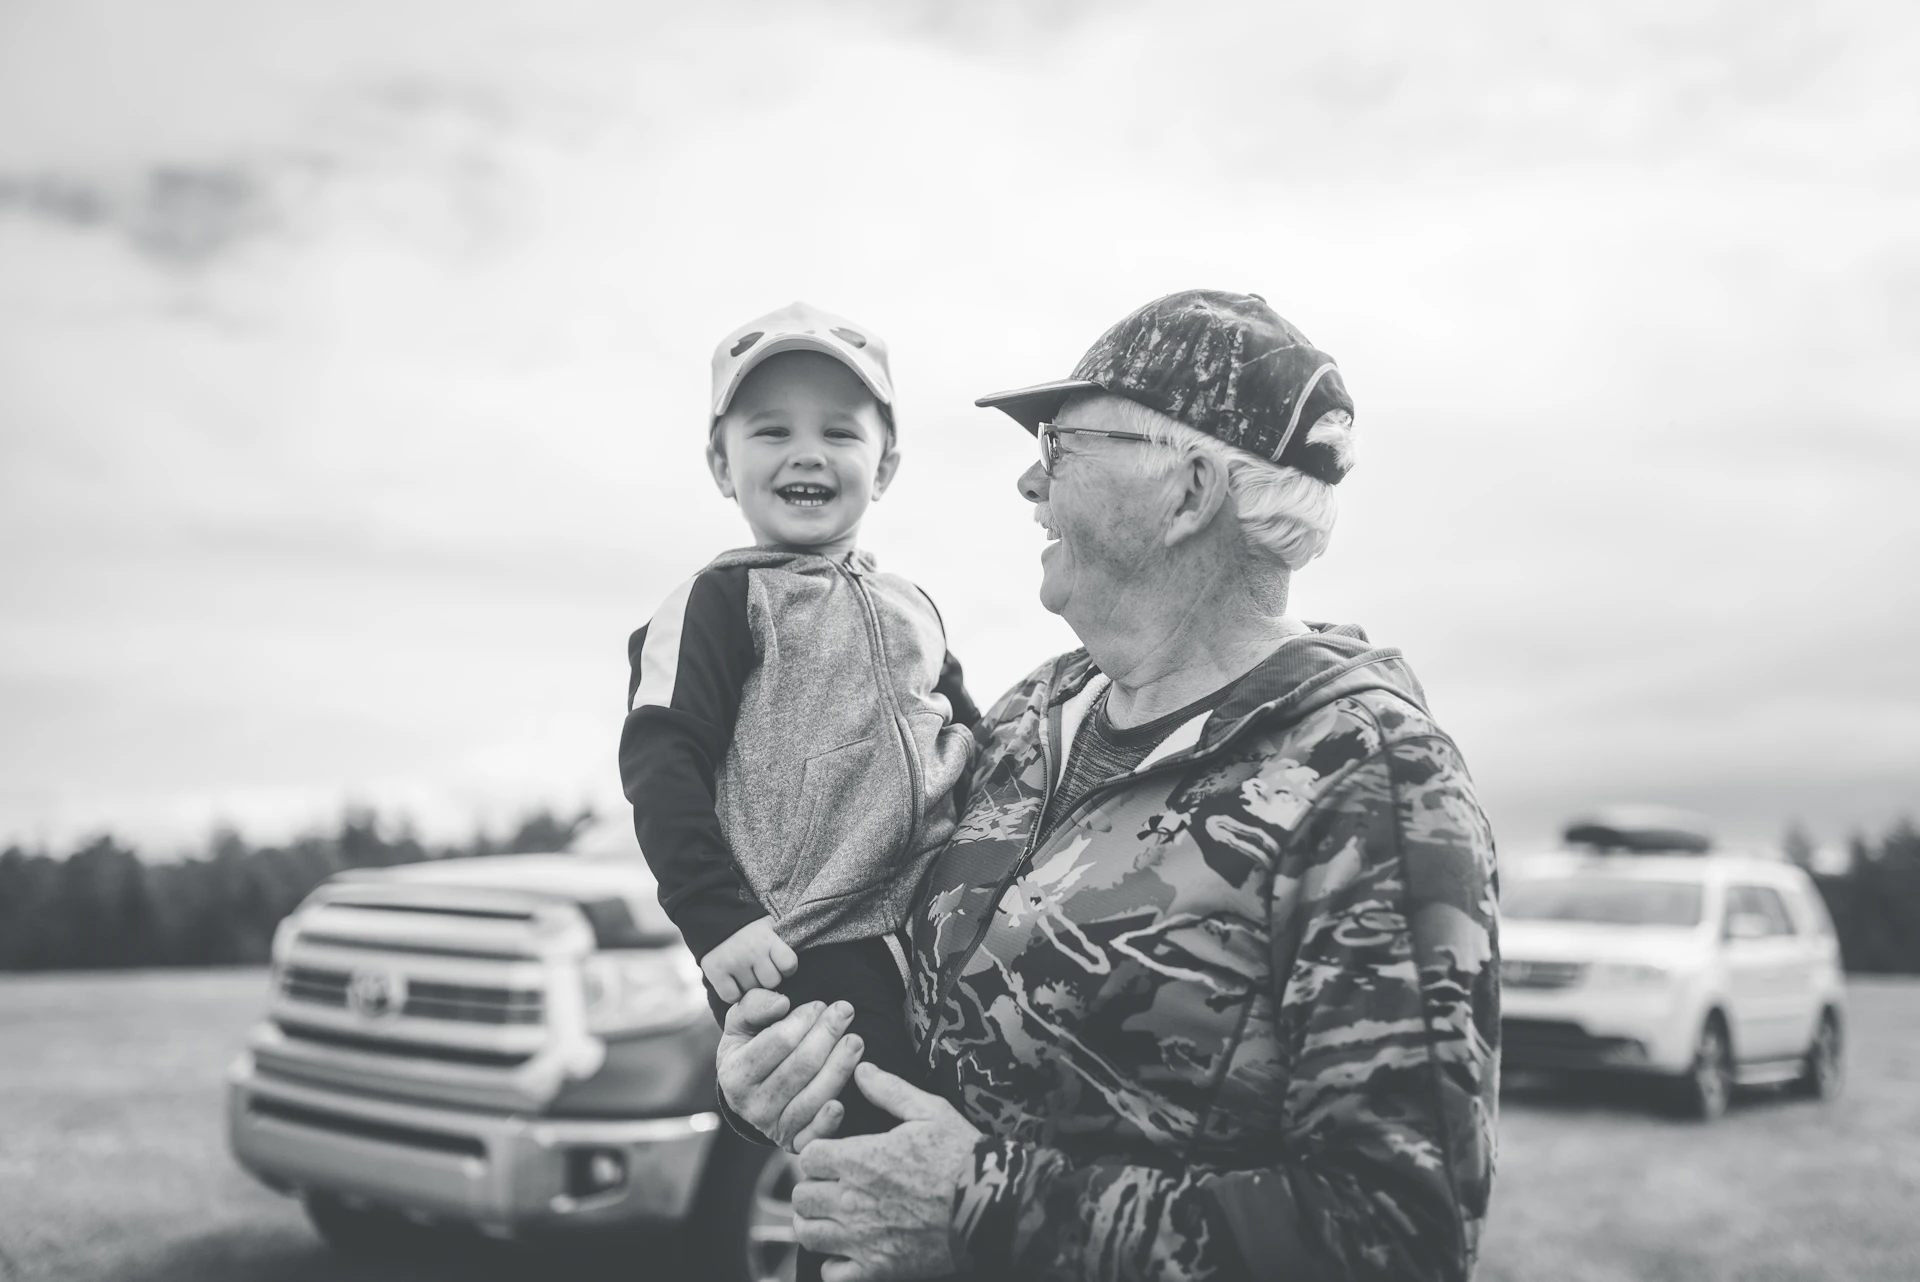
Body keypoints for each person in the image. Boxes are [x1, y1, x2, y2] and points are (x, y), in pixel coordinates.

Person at [716, 290, 1500, 1282]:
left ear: (1188, 493)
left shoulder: (1370, 780)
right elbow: (909, 1005)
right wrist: (787, 1074)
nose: (1028, 478)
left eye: (1064, 444)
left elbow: (1397, 1237)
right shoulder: (1023, 717)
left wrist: (980, 1208)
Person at [619, 301, 978, 1147]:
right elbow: (659, 759)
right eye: (772, 431)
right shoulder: (716, 602)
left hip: (937, 929)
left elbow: (972, 735)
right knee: (868, 1166)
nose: (808, 453)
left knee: (956, 1149)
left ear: (884, 465)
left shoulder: (914, 607)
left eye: (840, 434)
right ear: (721, 462)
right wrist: (715, 918)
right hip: (805, 948)